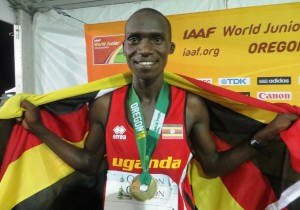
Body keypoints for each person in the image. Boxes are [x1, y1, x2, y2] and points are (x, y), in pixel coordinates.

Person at [20, 8, 297, 210]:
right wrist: (38, 128)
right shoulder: (104, 106)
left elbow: (212, 166)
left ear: (170, 46)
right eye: (135, 39)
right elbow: (89, 163)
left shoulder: (190, 107)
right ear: (124, 46)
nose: (145, 49)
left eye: (156, 39)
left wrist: (268, 133)